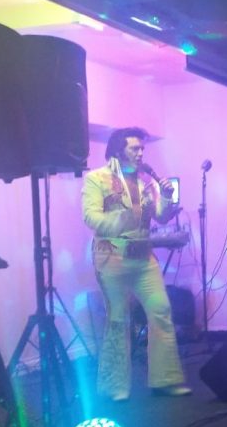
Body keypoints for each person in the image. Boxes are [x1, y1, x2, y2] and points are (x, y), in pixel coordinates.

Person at [82, 127, 191, 402]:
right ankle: (114, 387)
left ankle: (165, 380)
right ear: (118, 150)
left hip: (143, 259)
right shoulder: (96, 178)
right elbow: (90, 216)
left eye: (143, 148)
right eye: (135, 148)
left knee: (161, 310)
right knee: (118, 319)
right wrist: (121, 220)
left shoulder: (145, 182)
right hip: (112, 257)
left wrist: (166, 196)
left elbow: (161, 217)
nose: (141, 153)